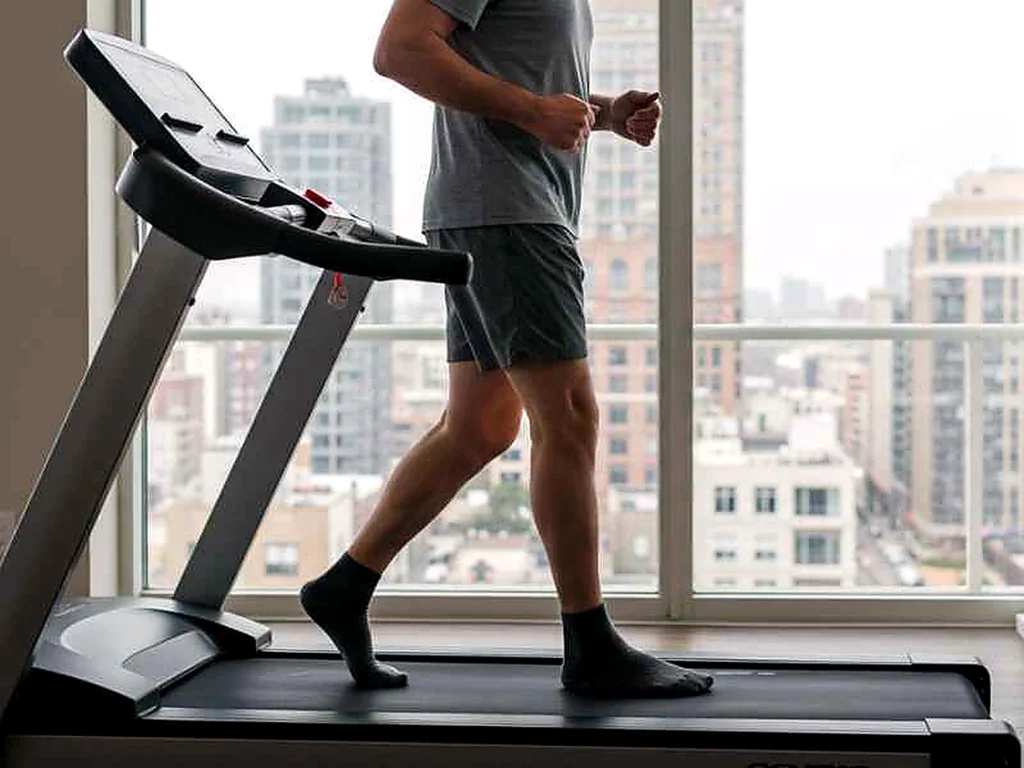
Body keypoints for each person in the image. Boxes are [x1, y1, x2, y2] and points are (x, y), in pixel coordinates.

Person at [301, 0, 714, 699]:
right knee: (570, 419)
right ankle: (590, 645)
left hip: (502, 209)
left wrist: (603, 114)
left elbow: (515, 76)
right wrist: (535, 111)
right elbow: (400, 49)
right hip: (508, 210)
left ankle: (345, 585)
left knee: (480, 426)